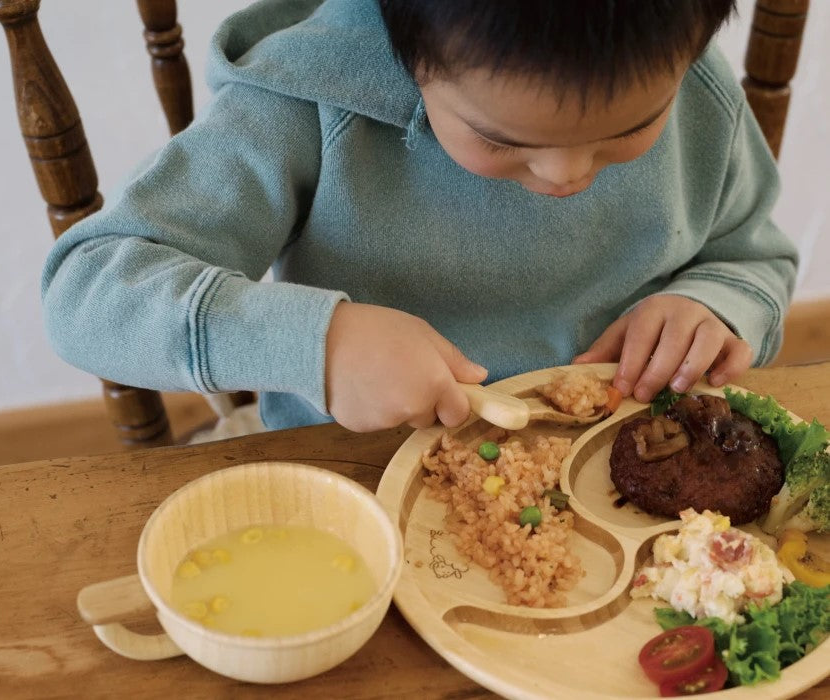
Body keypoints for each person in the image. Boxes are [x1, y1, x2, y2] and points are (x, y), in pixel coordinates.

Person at [42, 0, 797, 434]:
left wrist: (716, 304)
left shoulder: (697, 91)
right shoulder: (306, 103)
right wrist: (319, 345)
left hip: (613, 464)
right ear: (408, 52)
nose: (566, 175)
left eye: (630, 128)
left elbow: (754, 256)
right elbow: (89, 291)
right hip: (353, 484)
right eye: (502, 138)